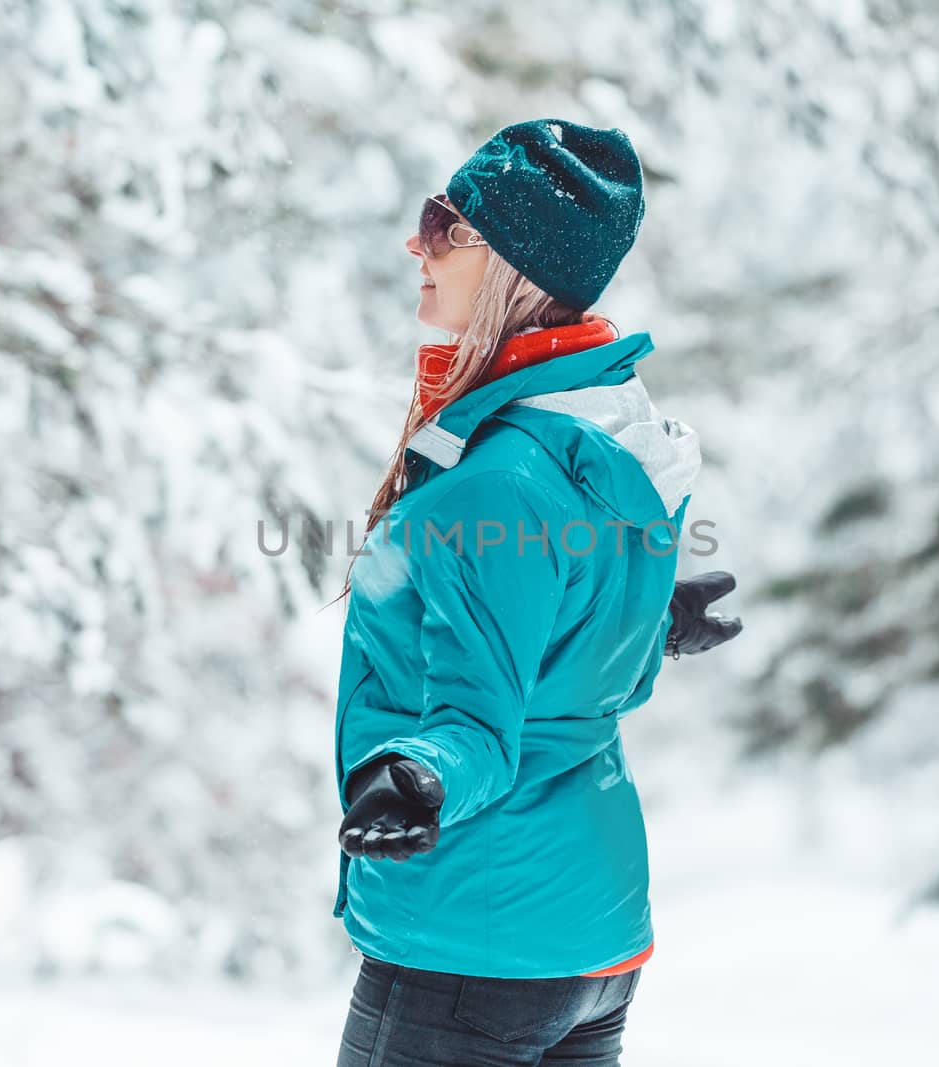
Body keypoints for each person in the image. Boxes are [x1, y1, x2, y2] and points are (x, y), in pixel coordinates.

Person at [327, 118, 741, 1066]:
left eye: (446, 227)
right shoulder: (603, 437)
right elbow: (559, 609)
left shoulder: (492, 481)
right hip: (590, 932)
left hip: (475, 935)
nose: (416, 246)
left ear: (517, 268)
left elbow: (476, 727)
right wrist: (646, 614)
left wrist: (419, 776)